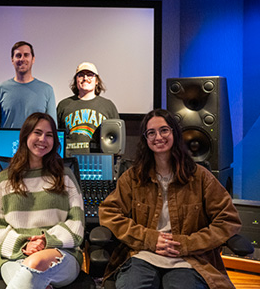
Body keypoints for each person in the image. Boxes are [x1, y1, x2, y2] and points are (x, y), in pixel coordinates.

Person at [97, 109, 241, 289]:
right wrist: (149, 238)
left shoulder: (200, 177)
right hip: (143, 254)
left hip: (187, 259)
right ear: (146, 139)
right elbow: (108, 213)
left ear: (174, 132)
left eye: (164, 130)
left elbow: (228, 220)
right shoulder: (133, 177)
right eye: (151, 132)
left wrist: (188, 244)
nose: (158, 137)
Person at [0, 112, 85, 289]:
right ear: (26, 135)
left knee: (35, 265)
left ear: (55, 141)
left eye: (49, 135)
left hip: (61, 253)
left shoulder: (65, 176)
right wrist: (24, 246)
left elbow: (76, 223)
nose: (43, 139)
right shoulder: (3, 180)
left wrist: (45, 241)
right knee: (33, 280)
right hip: (15, 256)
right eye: (37, 132)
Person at [0, 41, 56, 130]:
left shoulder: (47, 90)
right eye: (18, 55)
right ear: (12, 60)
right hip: (7, 143)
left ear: (33, 59)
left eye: (26, 55)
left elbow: (52, 128)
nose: (22, 59)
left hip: (36, 144)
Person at [57, 62, 119, 155]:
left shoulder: (108, 106)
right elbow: (57, 137)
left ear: (97, 80)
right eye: (81, 75)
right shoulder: (64, 105)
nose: (85, 78)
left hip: (99, 161)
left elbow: (116, 141)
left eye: (90, 75)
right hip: (70, 162)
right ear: (76, 80)